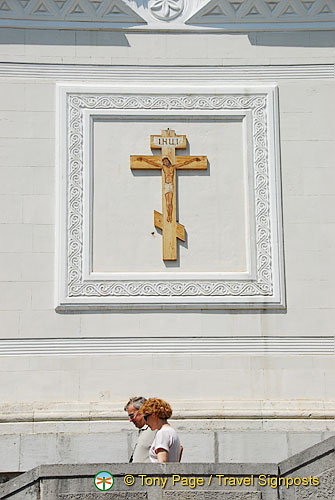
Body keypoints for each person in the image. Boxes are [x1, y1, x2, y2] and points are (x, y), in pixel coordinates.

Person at [139, 397, 182, 463]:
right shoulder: (172, 432)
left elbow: (162, 463)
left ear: (154, 415)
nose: (146, 422)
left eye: (145, 417)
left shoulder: (162, 433)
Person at [124, 396, 157, 463]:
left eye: (132, 416)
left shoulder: (156, 429)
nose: (130, 420)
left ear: (142, 411)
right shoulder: (144, 431)